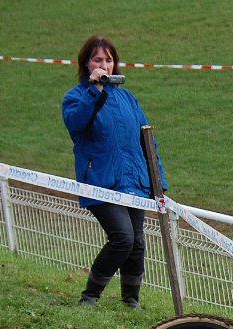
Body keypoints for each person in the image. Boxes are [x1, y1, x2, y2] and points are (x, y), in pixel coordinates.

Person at [61, 35, 167, 309]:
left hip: (135, 181)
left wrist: (158, 182)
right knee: (123, 238)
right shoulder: (75, 97)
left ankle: (131, 300)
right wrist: (95, 91)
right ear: (86, 63)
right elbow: (76, 124)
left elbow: (148, 141)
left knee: (137, 243)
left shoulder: (128, 98)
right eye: (97, 59)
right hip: (100, 182)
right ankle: (90, 295)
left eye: (108, 60)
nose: (104, 65)